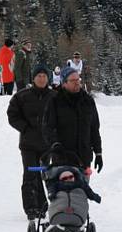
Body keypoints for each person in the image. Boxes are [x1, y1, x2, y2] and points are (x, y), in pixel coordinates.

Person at [7, 64, 54, 220]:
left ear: (48, 78)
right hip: (28, 144)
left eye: (44, 76)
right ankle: (31, 208)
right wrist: (25, 128)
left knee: (43, 174)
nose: (41, 79)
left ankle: (42, 205)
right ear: (33, 78)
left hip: (47, 145)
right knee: (30, 174)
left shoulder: (55, 96)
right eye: (39, 76)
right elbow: (12, 115)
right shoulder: (22, 96)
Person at [43, 66, 103, 176]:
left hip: (84, 159)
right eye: (73, 80)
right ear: (64, 83)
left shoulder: (88, 101)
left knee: (82, 192)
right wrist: (55, 144)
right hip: (62, 158)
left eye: (78, 80)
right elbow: (48, 128)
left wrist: (98, 153)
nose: (77, 83)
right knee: (64, 192)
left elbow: (94, 129)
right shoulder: (55, 102)